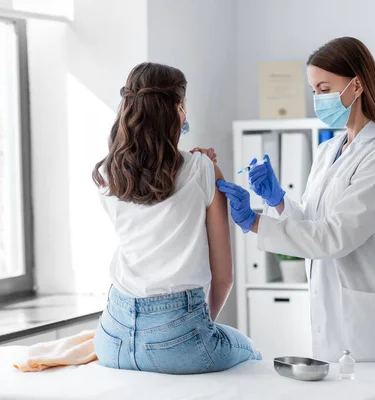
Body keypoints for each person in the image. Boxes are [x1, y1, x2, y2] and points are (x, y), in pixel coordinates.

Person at [218, 37, 375, 365]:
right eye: (314, 91)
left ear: (357, 85)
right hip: (333, 310)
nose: (317, 99)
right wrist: (278, 201)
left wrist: (255, 223)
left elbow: (333, 237)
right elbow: (312, 221)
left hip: (370, 323)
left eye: (324, 89)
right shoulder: (327, 151)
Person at [92, 62, 261, 374]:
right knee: (251, 352)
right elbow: (224, 278)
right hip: (178, 336)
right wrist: (193, 331)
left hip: (111, 337)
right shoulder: (202, 169)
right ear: (177, 110)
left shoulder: (108, 174)